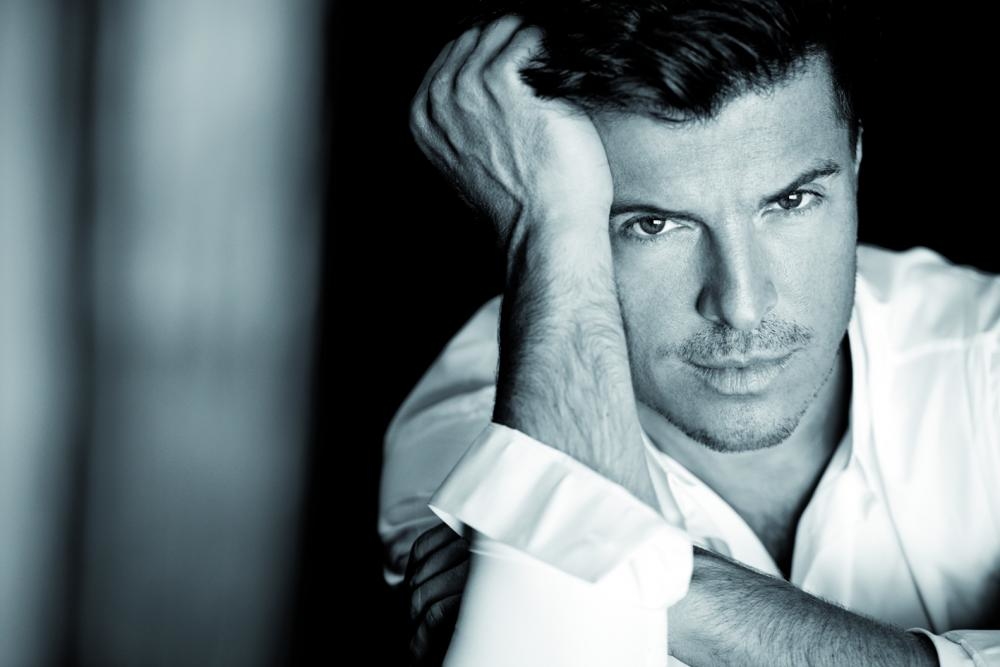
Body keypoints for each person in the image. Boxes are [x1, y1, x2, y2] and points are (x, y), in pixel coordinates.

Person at [379, 1, 1000, 665]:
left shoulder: (981, 352)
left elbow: (569, 609)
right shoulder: (470, 428)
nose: (741, 304)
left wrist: (653, 587)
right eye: (653, 225)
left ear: (855, 159)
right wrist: (546, 224)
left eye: (790, 201)